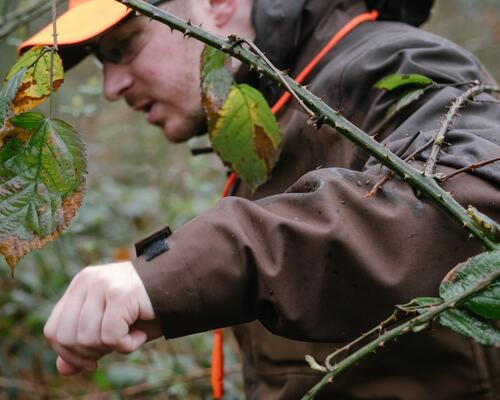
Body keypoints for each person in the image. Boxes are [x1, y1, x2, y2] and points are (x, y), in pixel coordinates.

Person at [19, 0, 500, 399]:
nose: (111, 88)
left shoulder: (394, 61)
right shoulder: (268, 113)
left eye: (124, 47)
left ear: (217, 4)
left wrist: (173, 272)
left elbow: (475, 192)